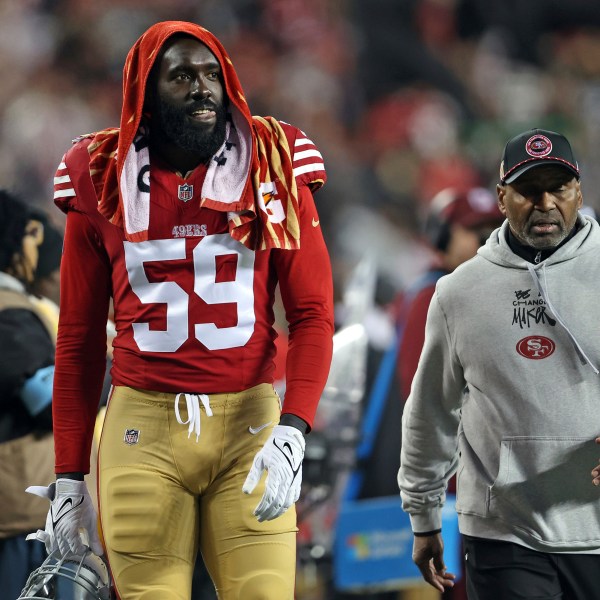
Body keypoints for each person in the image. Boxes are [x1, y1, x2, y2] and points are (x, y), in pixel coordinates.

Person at [27, 20, 334, 600]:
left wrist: (293, 429)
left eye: (213, 74)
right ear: (145, 93)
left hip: (251, 424)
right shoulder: (97, 174)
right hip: (144, 428)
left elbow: (314, 313)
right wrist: (68, 474)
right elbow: (79, 339)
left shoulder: (273, 159)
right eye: (182, 76)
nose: (202, 88)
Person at [398, 128, 600, 599]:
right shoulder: (458, 292)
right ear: (503, 197)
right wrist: (424, 516)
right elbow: (431, 410)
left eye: (559, 187)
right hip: (503, 532)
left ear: (579, 192)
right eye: (529, 190)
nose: (545, 202)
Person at [397, 186, 504, 403]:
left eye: (493, 229)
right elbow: (421, 392)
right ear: (442, 236)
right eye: (474, 229)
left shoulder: (490, 286)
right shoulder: (431, 295)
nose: (487, 239)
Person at [0, 190, 55, 599]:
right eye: (29, 236)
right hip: (20, 512)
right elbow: (47, 399)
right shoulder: (8, 311)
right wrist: (119, 367)